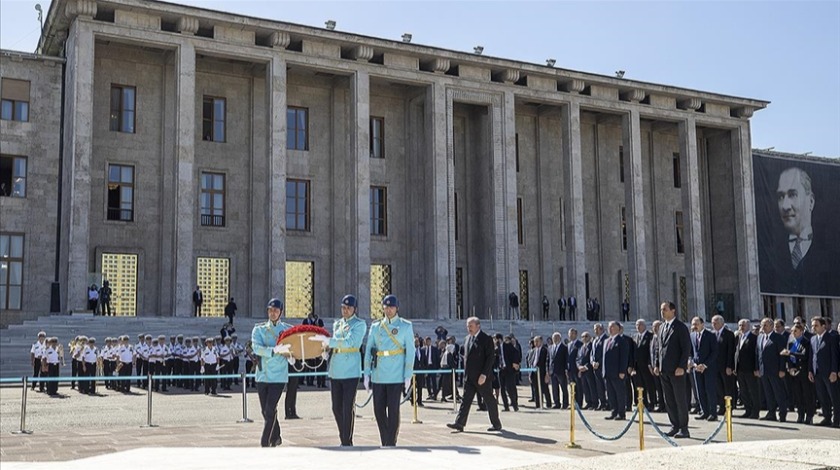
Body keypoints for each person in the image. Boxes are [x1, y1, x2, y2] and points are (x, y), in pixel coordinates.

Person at [762, 167, 840, 296]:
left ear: (811, 201)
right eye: (781, 196)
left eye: (792, 195)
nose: (785, 206)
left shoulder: (832, 249)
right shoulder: (770, 250)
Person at [308, 294, 367, 446]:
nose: (345, 310)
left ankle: (346, 440)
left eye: (348, 308)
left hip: (350, 370)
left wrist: (330, 341)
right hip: (336, 369)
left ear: (355, 309)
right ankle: (344, 436)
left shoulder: (359, 325)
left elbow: (352, 342)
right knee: (336, 408)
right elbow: (334, 344)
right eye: (343, 307)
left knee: (348, 407)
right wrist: (326, 350)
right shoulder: (337, 324)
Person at [363, 295, 415, 447]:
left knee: (393, 411)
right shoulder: (376, 326)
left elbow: (410, 353)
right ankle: (385, 438)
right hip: (379, 373)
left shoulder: (405, 326)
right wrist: (366, 373)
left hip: (395, 374)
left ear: (397, 308)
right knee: (378, 411)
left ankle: (390, 442)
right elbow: (369, 350)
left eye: (391, 307)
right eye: (386, 307)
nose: (389, 310)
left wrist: (407, 375)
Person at [250, 298, 294, 447]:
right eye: (270, 310)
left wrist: (291, 355)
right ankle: (276, 436)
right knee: (266, 411)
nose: (272, 313)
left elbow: (293, 349)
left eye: (275, 310)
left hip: (278, 376)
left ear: (281, 312)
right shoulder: (259, 329)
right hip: (262, 375)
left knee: (270, 409)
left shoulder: (288, 330)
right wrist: (275, 351)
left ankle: (265, 442)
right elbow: (256, 348)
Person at [447, 317, 503, 433]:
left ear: (478, 326)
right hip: (469, 377)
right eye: (468, 326)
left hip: (481, 377)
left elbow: (490, 358)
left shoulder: (486, 339)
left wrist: (484, 374)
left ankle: (496, 423)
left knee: (489, 399)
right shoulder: (467, 339)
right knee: (465, 400)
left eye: (471, 326)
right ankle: (459, 423)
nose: (469, 329)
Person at [654, 301, 691, 439]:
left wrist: (681, 366)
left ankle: (684, 428)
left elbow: (686, 348)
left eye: (665, 309)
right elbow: (658, 348)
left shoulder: (680, 327)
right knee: (669, 399)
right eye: (661, 309)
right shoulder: (662, 327)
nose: (662, 312)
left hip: (676, 370)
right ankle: (674, 425)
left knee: (680, 399)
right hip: (664, 370)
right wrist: (657, 365)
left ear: (673, 310)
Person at [756, 317, 789, 422]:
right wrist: (757, 368)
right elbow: (758, 354)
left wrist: (782, 369)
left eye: (765, 325)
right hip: (763, 370)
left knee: (778, 393)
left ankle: (782, 413)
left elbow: (783, 355)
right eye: (762, 325)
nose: (763, 327)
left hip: (775, 370)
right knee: (768, 393)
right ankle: (771, 413)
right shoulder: (760, 337)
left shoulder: (778, 337)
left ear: (771, 326)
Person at [809, 316, 840, 428]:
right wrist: (810, 371)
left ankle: (837, 419)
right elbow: (811, 356)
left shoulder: (831, 338)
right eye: (812, 325)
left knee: (834, 396)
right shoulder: (813, 339)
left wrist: (834, 371)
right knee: (822, 396)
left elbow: (834, 356)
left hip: (829, 372)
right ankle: (827, 417)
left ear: (823, 326)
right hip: (817, 372)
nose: (813, 328)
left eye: (816, 325)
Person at [783, 323, 814, 424]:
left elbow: (804, 356)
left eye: (795, 331)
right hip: (794, 372)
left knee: (807, 395)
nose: (793, 333)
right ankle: (800, 415)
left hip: (803, 371)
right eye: (792, 331)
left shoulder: (806, 342)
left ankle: (809, 415)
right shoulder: (791, 342)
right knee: (798, 395)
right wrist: (790, 368)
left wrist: (790, 353)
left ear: (801, 331)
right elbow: (788, 358)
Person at [690, 316, 718, 421]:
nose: (694, 326)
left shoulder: (710, 335)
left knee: (710, 390)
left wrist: (705, 365)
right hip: (696, 368)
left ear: (702, 324)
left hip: (708, 367)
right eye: (693, 324)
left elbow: (714, 352)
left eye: (696, 324)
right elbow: (691, 351)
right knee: (700, 390)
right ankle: (704, 411)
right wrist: (692, 362)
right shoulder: (692, 335)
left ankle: (713, 412)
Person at [602, 321, 630, 420]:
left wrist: (622, 371)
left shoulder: (622, 340)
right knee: (611, 393)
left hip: (618, 372)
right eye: (609, 327)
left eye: (613, 327)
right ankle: (614, 411)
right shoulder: (606, 341)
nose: (610, 329)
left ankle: (621, 413)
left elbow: (624, 357)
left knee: (619, 393)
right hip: (608, 372)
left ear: (618, 328)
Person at [711, 315, 736, 416]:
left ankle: (730, 407)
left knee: (728, 387)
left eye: (715, 323)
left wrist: (729, 366)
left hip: (725, 366)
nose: (714, 325)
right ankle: (721, 406)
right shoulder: (712, 334)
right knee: (719, 388)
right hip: (715, 366)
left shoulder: (729, 334)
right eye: (713, 323)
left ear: (721, 323)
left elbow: (731, 351)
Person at [734, 319, 760, 419]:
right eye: (740, 325)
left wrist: (756, 368)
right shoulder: (738, 337)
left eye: (743, 325)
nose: (741, 327)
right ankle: (747, 410)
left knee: (753, 391)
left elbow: (756, 354)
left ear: (748, 326)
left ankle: (755, 411)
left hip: (750, 369)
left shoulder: (754, 338)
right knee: (743, 391)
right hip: (740, 369)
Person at [633, 320, 655, 409]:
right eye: (637, 325)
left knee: (649, 385)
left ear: (644, 326)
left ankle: (652, 403)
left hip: (647, 365)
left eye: (640, 325)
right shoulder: (635, 336)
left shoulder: (650, 336)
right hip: (638, 366)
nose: (638, 327)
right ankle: (643, 403)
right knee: (640, 386)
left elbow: (651, 351)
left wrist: (650, 363)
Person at [548, 332, 569, 409]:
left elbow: (566, 359)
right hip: (553, 371)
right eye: (554, 338)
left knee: (564, 388)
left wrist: (566, 369)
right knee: (554, 388)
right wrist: (549, 370)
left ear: (560, 338)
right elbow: (549, 359)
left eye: (557, 338)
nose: (555, 339)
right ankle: (557, 403)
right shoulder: (550, 348)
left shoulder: (564, 348)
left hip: (561, 371)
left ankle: (565, 403)